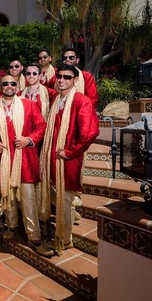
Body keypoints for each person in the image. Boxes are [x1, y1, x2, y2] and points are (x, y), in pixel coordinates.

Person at [0, 75, 52, 257]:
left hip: (24, 159)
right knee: (8, 196)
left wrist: (29, 139)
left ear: (18, 86)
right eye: (5, 84)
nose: (9, 86)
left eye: (12, 83)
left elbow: (41, 126)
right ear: (0, 87)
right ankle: (11, 225)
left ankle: (35, 238)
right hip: (4, 160)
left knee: (28, 199)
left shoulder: (29, 105)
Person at [40, 65, 99, 254]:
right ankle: (65, 235)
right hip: (54, 159)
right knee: (60, 200)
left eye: (67, 77)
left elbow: (90, 133)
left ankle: (64, 239)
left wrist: (70, 152)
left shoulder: (81, 101)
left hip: (68, 161)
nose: (62, 80)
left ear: (75, 80)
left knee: (65, 201)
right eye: (59, 76)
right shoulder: (58, 100)